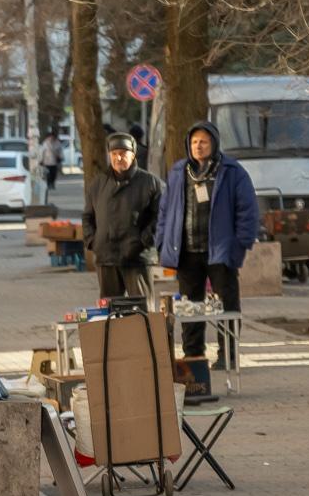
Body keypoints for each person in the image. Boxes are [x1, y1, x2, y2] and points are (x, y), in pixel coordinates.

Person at [156, 119, 257, 385]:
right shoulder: (179, 172)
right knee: (190, 308)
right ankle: (194, 355)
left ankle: (229, 354)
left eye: (204, 141)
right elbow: (166, 211)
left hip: (220, 251)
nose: (198, 146)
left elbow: (247, 211)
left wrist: (239, 245)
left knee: (227, 306)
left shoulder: (232, 171)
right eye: (194, 142)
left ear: (214, 143)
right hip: (187, 252)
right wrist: (161, 243)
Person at [83, 131, 162, 301]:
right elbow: (87, 216)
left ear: (133, 155)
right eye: (114, 154)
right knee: (110, 313)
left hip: (137, 258)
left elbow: (160, 217)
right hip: (106, 258)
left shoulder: (150, 182)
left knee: (142, 312)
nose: (118, 158)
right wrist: (93, 241)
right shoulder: (98, 183)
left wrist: (143, 241)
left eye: (123, 153)